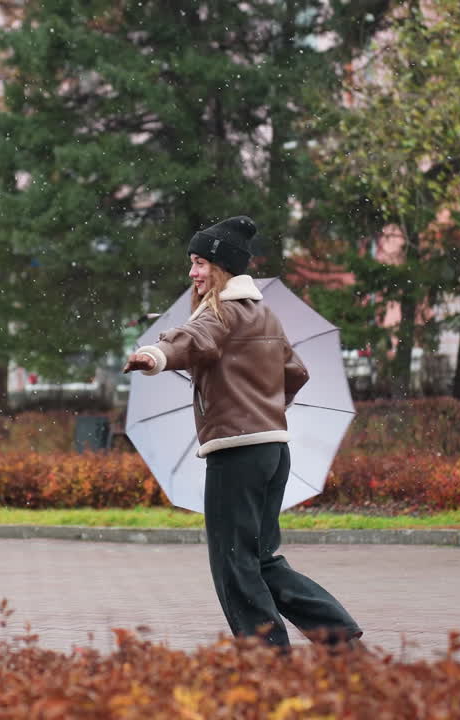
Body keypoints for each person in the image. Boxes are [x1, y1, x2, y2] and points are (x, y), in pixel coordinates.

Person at [122, 215, 362, 650]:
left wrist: (155, 354)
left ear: (223, 266)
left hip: (236, 454)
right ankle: (337, 634)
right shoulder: (262, 314)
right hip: (272, 450)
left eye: (199, 263)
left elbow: (193, 338)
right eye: (191, 263)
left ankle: (267, 655)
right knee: (260, 558)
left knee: (233, 563)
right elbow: (296, 373)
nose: (193, 273)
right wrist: (259, 403)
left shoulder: (220, 312)